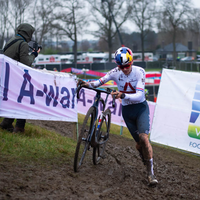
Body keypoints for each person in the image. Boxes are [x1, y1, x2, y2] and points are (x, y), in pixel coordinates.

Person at [78, 47, 158, 186]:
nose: (125, 69)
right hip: (127, 111)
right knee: (139, 145)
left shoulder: (139, 72)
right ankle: (144, 158)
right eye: (121, 67)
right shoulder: (115, 72)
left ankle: (151, 173)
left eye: (127, 66)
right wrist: (87, 84)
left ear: (131, 62)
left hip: (140, 108)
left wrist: (123, 95)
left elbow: (140, 95)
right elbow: (100, 82)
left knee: (144, 138)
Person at [0, 23, 40, 133]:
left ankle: (6, 123)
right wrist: (34, 55)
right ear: (28, 33)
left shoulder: (10, 41)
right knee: (23, 100)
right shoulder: (23, 44)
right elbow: (26, 64)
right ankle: (19, 127)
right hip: (16, 78)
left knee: (15, 101)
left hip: (7, 77)